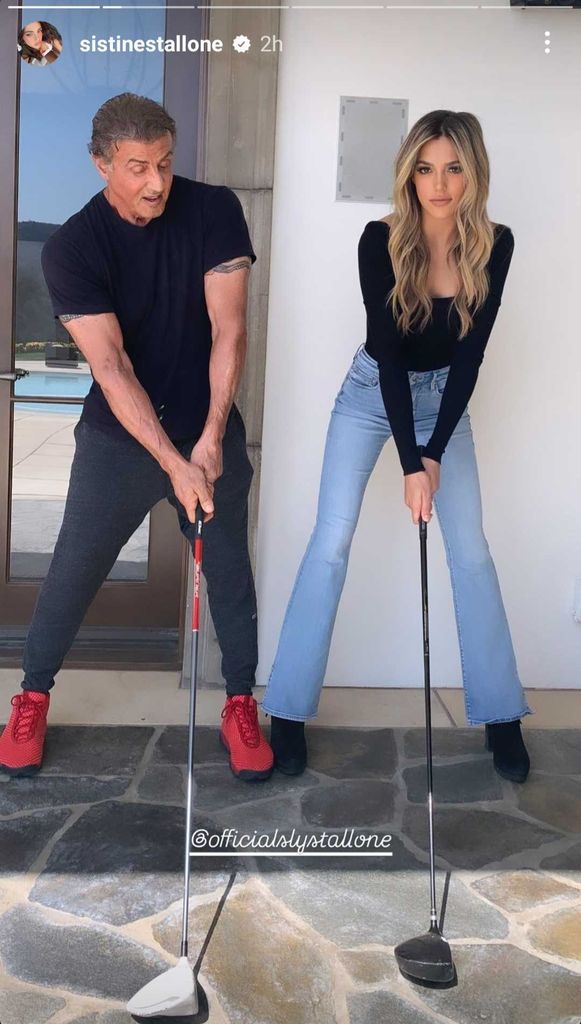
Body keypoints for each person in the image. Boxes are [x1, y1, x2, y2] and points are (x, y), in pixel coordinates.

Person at [0, 92, 273, 783]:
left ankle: (240, 702)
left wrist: (209, 441)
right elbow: (112, 366)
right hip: (120, 441)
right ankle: (32, 696)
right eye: (136, 167)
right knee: (73, 570)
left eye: (164, 162)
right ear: (101, 166)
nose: (155, 182)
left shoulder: (212, 211)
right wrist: (171, 463)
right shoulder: (72, 248)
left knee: (231, 574)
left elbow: (229, 331)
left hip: (204, 427)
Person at [263, 109, 533, 784]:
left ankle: (501, 716)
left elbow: (470, 357)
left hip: (446, 400)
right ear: (407, 174)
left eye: (452, 168)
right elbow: (385, 356)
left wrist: (433, 450)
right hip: (369, 395)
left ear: (473, 173)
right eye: (424, 168)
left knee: (470, 552)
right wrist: (410, 463)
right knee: (330, 541)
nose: (437, 184)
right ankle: (287, 713)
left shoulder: (493, 245)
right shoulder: (376, 240)